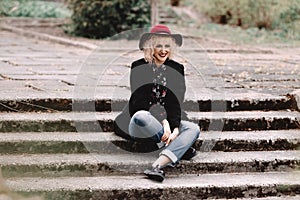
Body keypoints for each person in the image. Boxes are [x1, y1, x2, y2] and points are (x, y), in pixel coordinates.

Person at [114, 24, 200, 182]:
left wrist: (174, 128)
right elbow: (140, 102)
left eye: (167, 46)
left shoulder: (177, 68)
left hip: (167, 123)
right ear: (150, 47)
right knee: (142, 117)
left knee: (193, 128)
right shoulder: (138, 67)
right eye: (158, 45)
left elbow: (176, 102)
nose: (163, 50)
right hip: (140, 123)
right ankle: (180, 146)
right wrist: (164, 122)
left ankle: (157, 166)